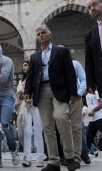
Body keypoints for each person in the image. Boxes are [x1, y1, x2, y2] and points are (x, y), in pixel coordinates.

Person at [24, 24, 78, 171]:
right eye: (38, 34)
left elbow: (70, 72)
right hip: (41, 91)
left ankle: (69, 157)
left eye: (43, 33)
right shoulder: (35, 56)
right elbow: (30, 76)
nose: (40, 35)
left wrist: (73, 92)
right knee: (47, 127)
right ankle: (53, 161)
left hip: (59, 91)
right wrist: (27, 91)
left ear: (49, 35)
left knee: (61, 118)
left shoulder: (61, 51)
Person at [57, 45, 89, 168]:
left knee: (76, 128)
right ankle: (67, 156)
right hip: (61, 100)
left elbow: (83, 80)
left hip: (75, 99)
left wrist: (78, 95)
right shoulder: (55, 67)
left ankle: (76, 158)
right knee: (63, 129)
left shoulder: (75, 63)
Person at [16, 61, 44, 168]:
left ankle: (40, 158)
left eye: (26, 64)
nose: (23, 66)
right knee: (27, 131)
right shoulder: (21, 81)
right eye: (22, 65)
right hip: (25, 107)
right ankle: (27, 158)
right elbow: (19, 94)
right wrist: (24, 97)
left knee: (38, 132)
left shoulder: (37, 78)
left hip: (37, 106)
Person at [85, 0, 102, 104]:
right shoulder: (90, 34)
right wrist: (90, 82)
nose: (92, 8)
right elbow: (89, 60)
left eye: (94, 4)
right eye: (89, 7)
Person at [85, 91, 102, 158]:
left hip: (100, 118)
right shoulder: (87, 95)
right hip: (92, 120)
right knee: (88, 137)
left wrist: (93, 111)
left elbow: (101, 103)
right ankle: (85, 155)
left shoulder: (97, 92)